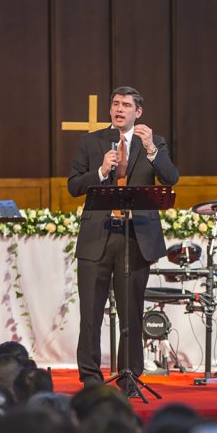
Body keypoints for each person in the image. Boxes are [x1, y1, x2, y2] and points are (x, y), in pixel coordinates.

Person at [67, 86, 179, 391]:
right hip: (98, 237)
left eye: (126, 105)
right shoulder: (91, 141)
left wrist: (153, 150)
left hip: (135, 238)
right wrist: (101, 171)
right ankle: (90, 377)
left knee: (132, 311)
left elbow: (171, 178)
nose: (119, 109)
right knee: (90, 312)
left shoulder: (154, 142)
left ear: (137, 112)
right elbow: (74, 185)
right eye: (115, 104)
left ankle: (130, 377)